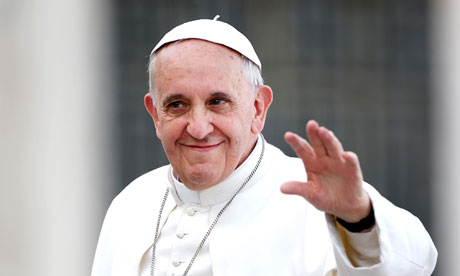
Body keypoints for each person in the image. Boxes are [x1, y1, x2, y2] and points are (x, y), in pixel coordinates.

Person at [91, 17, 437, 276]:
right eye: (177, 105)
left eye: (217, 102)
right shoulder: (131, 204)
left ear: (258, 108)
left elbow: (417, 263)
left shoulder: (314, 197)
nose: (197, 128)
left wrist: (358, 217)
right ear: (155, 114)